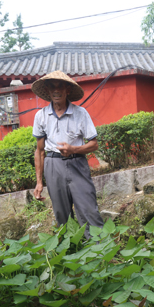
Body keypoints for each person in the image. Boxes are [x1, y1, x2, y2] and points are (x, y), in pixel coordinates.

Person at [31, 70, 104, 236]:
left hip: (77, 164)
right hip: (52, 166)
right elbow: (40, 151)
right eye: (52, 87)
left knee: (88, 209)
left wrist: (73, 149)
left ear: (67, 90)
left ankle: (100, 251)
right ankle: (69, 253)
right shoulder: (41, 116)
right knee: (61, 214)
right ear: (47, 91)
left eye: (60, 86)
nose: (56, 90)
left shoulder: (80, 113)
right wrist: (39, 182)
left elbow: (94, 144)